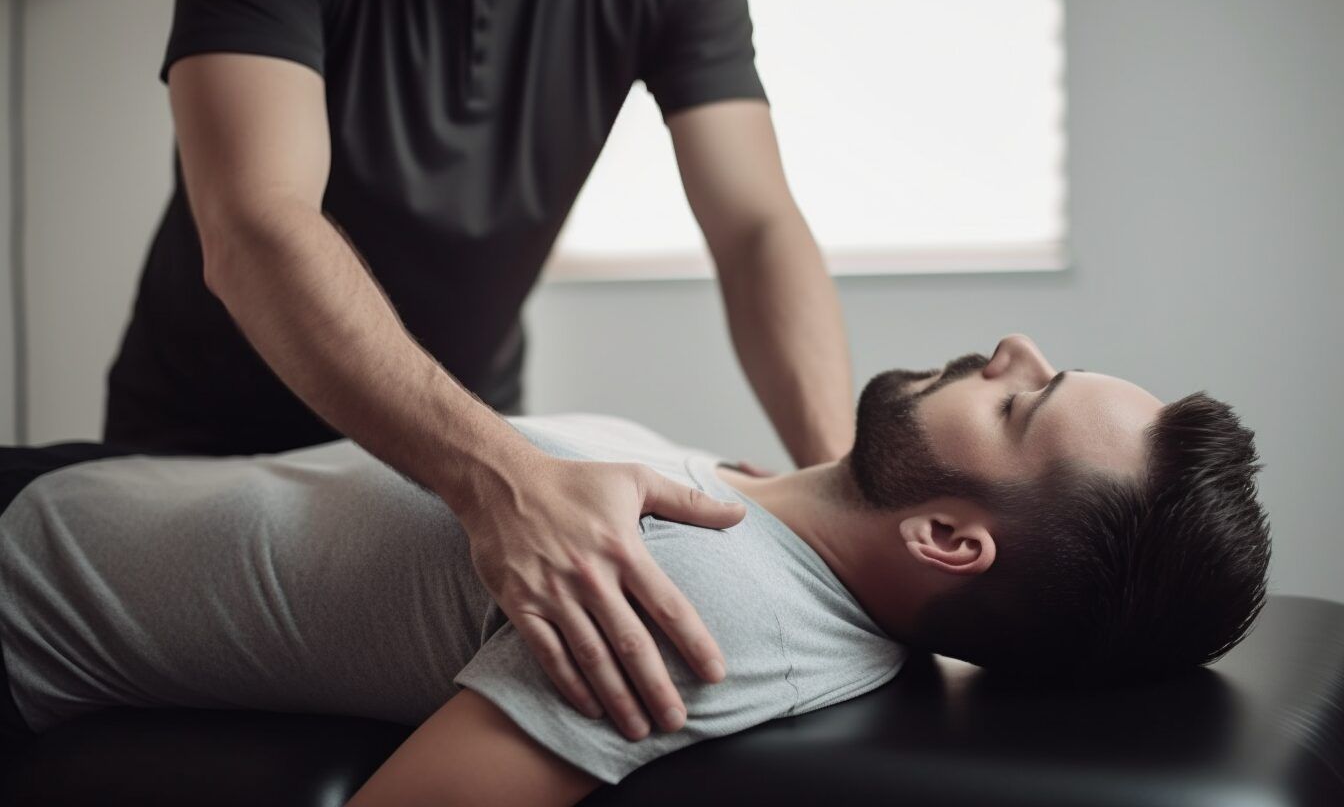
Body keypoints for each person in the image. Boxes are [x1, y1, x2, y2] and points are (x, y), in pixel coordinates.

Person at [101, 0, 856, 738]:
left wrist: (848, 485)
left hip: (460, 444)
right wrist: (504, 480)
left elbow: (755, 230)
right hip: (208, 438)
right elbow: (257, 223)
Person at [0, 335, 1271, 805]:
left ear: (948, 539)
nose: (1011, 345)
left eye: (1026, 400)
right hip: (79, 480)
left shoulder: (711, 603)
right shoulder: (768, 516)